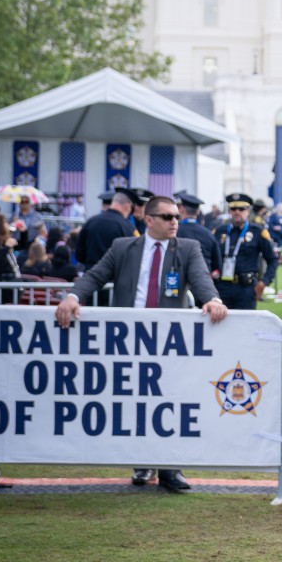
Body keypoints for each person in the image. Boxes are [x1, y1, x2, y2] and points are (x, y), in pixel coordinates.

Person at [54, 195, 227, 492]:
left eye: (177, 216)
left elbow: (200, 279)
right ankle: (142, 461)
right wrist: (72, 297)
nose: (175, 222)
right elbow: (95, 275)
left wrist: (212, 299)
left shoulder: (188, 248)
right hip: (129, 340)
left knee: (170, 399)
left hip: (169, 341)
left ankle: (170, 468)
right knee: (135, 401)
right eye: (168, 217)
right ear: (149, 220)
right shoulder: (124, 247)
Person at [214, 192, 278, 309]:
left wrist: (264, 282)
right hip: (221, 287)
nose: (237, 212)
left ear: (248, 211)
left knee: (245, 326)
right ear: (229, 211)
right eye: (233, 209)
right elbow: (210, 257)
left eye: (241, 208)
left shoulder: (258, 232)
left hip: (246, 289)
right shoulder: (219, 232)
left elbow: (273, 259)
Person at [75, 190, 136, 272]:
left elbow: (79, 254)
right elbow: (133, 255)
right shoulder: (128, 226)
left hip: (92, 276)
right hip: (115, 278)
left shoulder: (90, 222)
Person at [174, 191, 222, 277]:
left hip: (179, 280)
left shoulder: (174, 231)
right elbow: (217, 264)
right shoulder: (208, 234)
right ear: (198, 212)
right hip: (202, 280)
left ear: (181, 209)